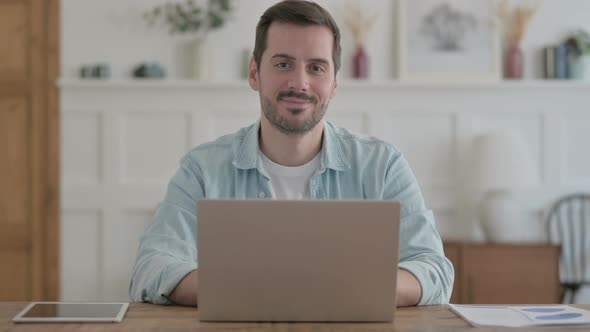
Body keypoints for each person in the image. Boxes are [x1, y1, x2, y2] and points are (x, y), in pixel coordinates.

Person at [130, 0, 454, 307]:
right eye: (283, 64)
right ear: (255, 73)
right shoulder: (202, 169)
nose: (299, 82)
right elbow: (152, 268)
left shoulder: (383, 165)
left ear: (335, 84)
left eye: (316, 67)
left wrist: (355, 291)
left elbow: (434, 269)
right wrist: (265, 292)